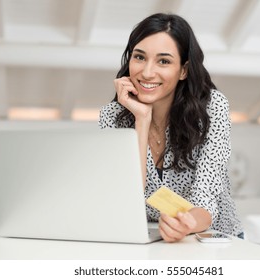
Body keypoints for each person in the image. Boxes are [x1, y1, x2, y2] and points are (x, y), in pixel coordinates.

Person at [99, 13, 243, 242]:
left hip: (212, 238)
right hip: (148, 238)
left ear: (183, 70)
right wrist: (142, 120)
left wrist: (185, 224)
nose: (146, 72)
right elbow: (125, 200)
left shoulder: (212, 108)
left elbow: (205, 200)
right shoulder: (113, 116)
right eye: (139, 57)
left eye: (163, 61)